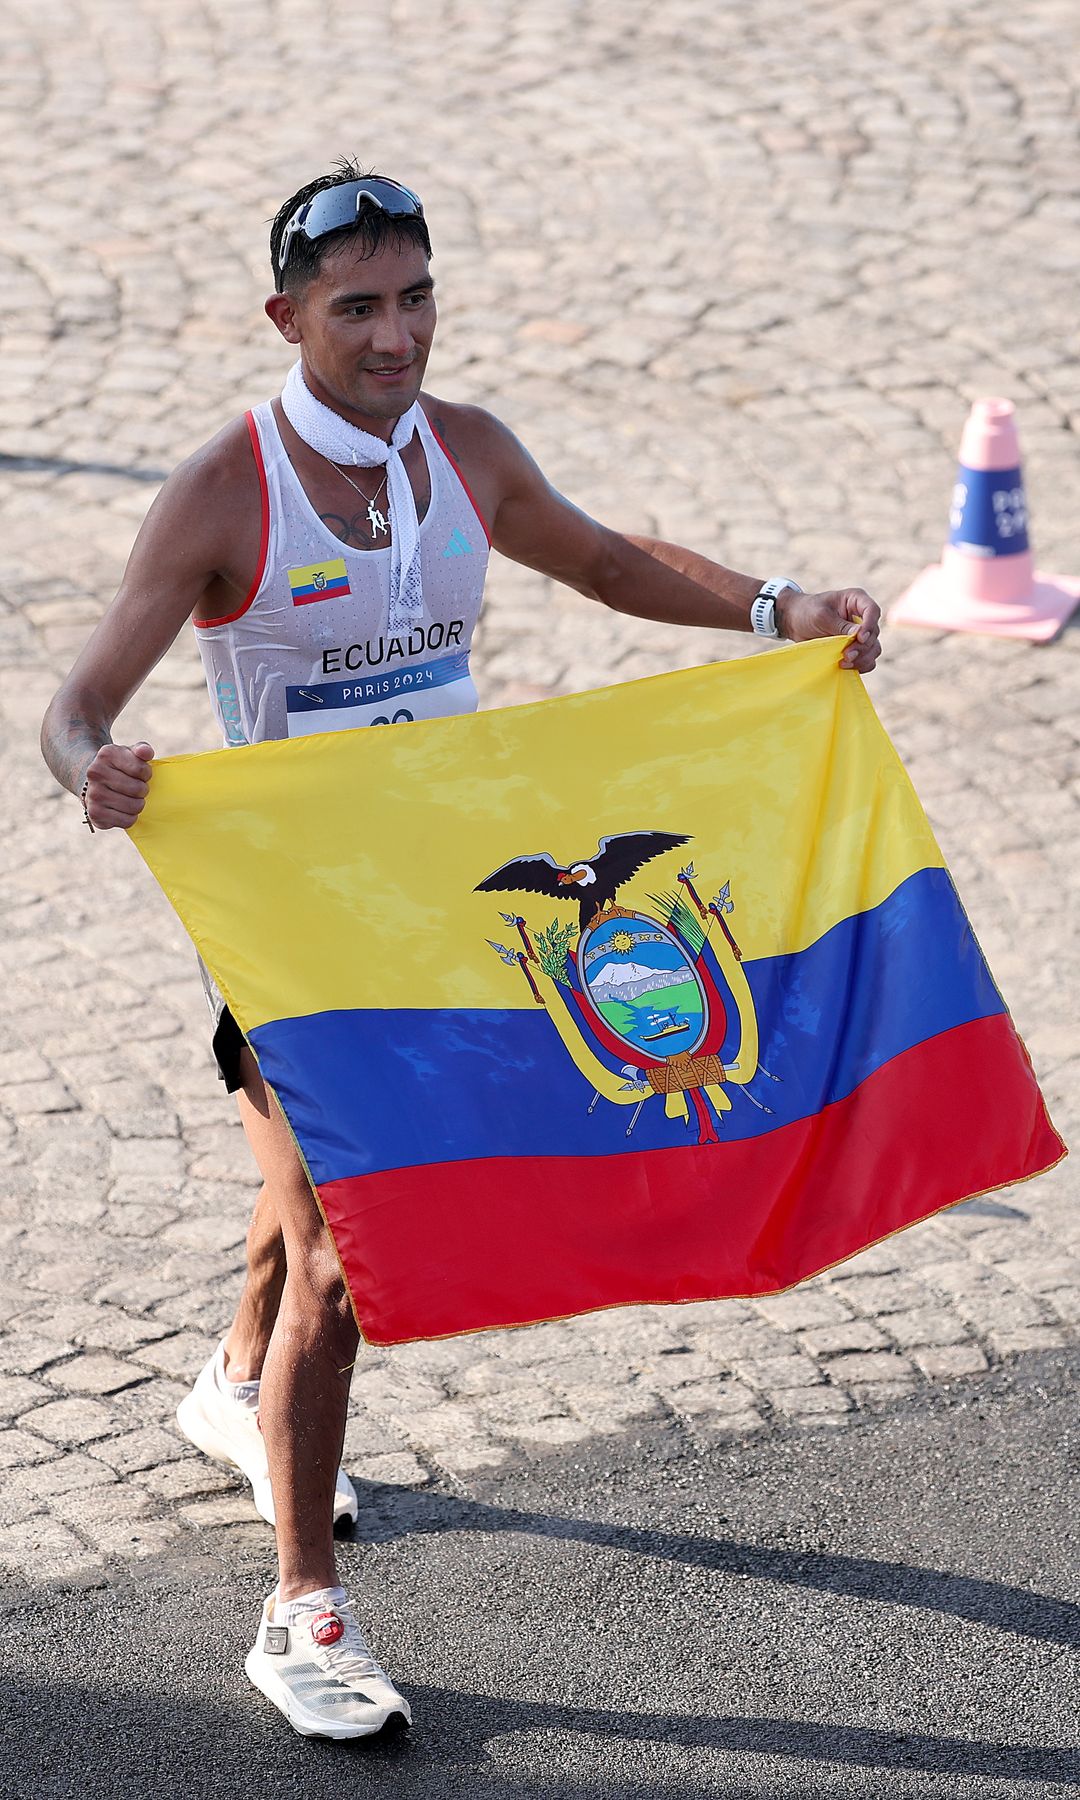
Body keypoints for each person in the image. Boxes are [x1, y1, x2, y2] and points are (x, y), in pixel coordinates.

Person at [41, 160, 882, 1742]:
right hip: (298, 929)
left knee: (304, 1212)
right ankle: (303, 1616)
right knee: (353, 1252)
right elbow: (74, 699)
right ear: (284, 316)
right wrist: (93, 763)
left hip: (450, 908)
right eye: (356, 307)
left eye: (415, 296)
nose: (395, 335)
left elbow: (608, 563)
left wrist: (784, 608)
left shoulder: (469, 453)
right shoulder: (228, 487)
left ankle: (234, 1382)